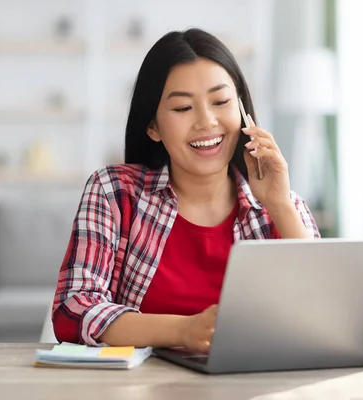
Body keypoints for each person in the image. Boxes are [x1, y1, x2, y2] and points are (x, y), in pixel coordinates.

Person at [52, 28, 320, 353]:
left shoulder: (283, 205)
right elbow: (73, 310)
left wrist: (280, 207)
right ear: (152, 126)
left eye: (220, 101)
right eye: (182, 108)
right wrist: (184, 330)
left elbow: (325, 320)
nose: (207, 122)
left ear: (243, 112)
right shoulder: (114, 192)